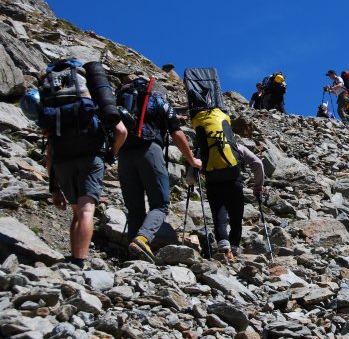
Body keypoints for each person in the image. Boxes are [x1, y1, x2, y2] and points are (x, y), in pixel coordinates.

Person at [23, 70, 127, 269]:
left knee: (76, 211)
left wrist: (54, 188)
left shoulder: (55, 107)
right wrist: (112, 153)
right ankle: (79, 262)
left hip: (62, 159)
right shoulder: (91, 100)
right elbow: (122, 131)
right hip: (91, 156)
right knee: (87, 209)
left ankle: (73, 257)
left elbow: (49, 153)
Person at [120, 86, 202, 262]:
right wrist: (191, 159)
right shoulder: (159, 100)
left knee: (135, 209)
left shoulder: (125, 100)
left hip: (124, 153)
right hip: (150, 150)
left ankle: (133, 253)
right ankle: (143, 239)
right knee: (160, 203)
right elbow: (176, 132)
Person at [203, 144, 265, 260]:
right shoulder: (236, 146)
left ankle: (224, 248)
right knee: (236, 219)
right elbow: (258, 163)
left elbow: (195, 163)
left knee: (219, 219)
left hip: (213, 183)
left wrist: (191, 178)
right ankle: (234, 248)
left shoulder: (206, 143)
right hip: (234, 183)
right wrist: (258, 187)